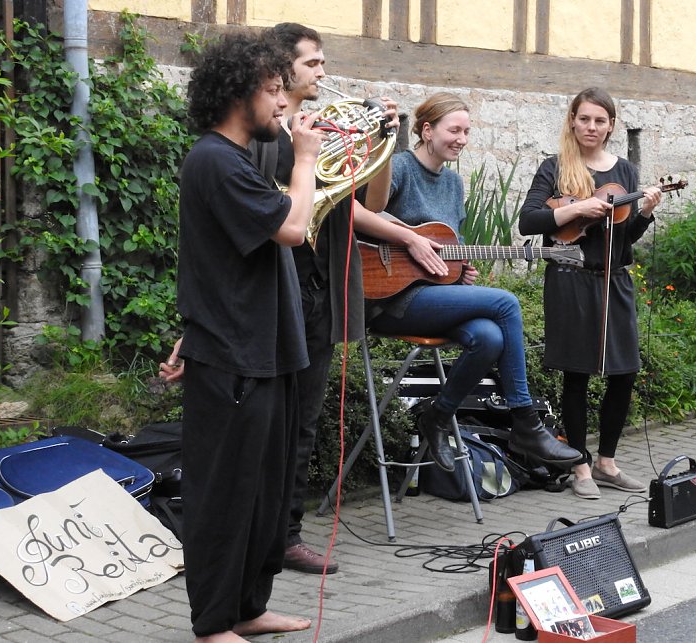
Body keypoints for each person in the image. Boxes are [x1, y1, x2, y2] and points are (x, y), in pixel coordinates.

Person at [251, 23, 447, 575]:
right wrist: (305, 156)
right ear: (283, 68)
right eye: (312, 63)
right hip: (272, 289)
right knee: (266, 418)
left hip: (319, 290)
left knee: (305, 419)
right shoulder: (264, 133)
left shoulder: (329, 131)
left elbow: (374, 200)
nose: (322, 72)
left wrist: (384, 143)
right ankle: (252, 532)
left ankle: (287, 535)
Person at [170, 32, 324, 641]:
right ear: (240, 92)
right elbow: (291, 226)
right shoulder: (213, 159)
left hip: (266, 350)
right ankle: (213, 624)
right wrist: (307, 159)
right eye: (272, 90)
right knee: (225, 497)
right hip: (234, 355)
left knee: (263, 495)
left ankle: (247, 609)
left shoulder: (235, 160)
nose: (283, 104)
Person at [364, 92, 581, 471]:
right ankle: (525, 422)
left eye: (467, 131)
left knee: (490, 338)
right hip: (391, 299)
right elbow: (364, 214)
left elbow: (450, 247)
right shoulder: (398, 168)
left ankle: (437, 414)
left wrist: (461, 270)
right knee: (506, 303)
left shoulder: (453, 184)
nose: (462, 139)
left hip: (437, 298)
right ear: (427, 130)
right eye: (454, 130)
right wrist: (411, 239)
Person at [519, 87, 663, 500]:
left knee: (625, 370)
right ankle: (580, 465)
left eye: (600, 121)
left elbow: (626, 237)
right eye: (585, 119)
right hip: (569, 279)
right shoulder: (555, 167)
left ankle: (607, 463)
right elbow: (529, 220)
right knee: (577, 373)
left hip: (614, 279)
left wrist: (646, 213)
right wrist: (577, 209)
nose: (592, 127)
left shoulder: (627, 173)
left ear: (612, 126)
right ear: (572, 120)